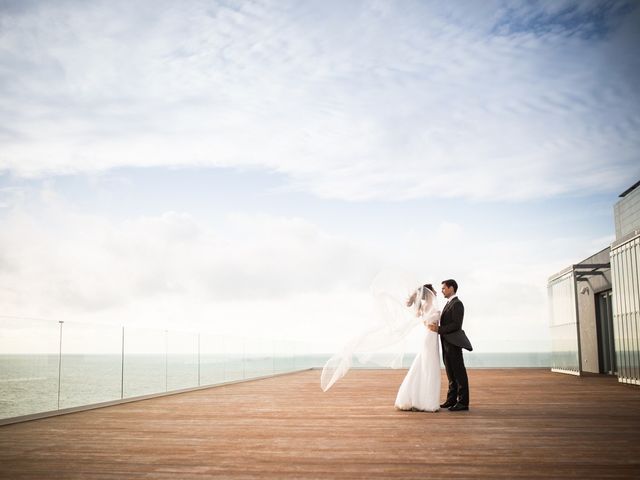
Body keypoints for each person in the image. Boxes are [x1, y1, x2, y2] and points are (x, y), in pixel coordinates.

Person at [395, 284, 441, 412]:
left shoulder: (426, 306)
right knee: (429, 367)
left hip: (430, 338)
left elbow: (427, 320)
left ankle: (418, 398)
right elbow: (430, 323)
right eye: (434, 290)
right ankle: (427, 402)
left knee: (424, 366)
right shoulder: (429, 305)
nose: (436, 291)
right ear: (429, 292)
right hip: (430, 337)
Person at [428, 279, 472, 411]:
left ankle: (463, 402)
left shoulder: (457, 304)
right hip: (446, 344)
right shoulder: (449, 303)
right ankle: (451, 399)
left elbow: (456, 325)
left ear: (451, 288)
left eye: (443, 288)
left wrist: (439, 329)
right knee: (450, 373)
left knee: (459, 373)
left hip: (453, 343)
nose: (442, 291)